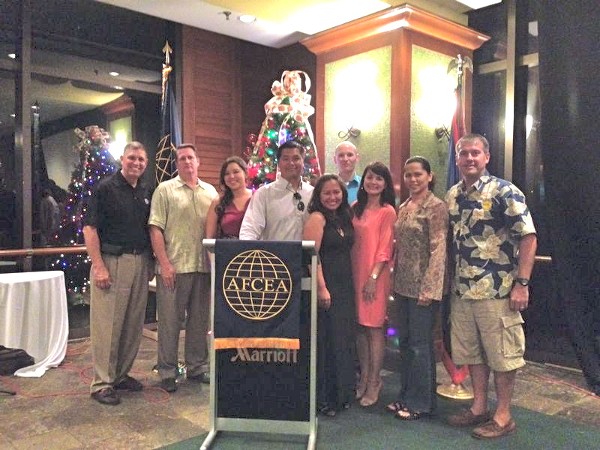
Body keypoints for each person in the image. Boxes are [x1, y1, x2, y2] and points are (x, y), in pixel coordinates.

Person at [445, 134, 537, 439]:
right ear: (457, 159)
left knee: (501, 355)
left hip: (498, 289)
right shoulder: (453, 196)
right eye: (463, 154)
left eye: (475, 153)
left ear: (487, 157)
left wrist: (522, 283)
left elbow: (528, 237)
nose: (469, 158)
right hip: (463, 290)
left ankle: (503, 415)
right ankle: (479, 407)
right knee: (473, 353)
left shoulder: (505, 191)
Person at [83, 141, 153, 405]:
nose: (136, 163)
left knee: (133, 324)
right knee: (108, 326)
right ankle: (102, 383)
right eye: (132, 158)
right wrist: (99, 266)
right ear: (122, 159)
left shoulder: (146, 190)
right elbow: (90, 229)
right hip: (112, 262)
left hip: (140, 262)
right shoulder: (105, 188)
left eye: (141, 160)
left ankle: (121, 375)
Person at [149, 143, 218, 393]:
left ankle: (197, 367)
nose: (187, 162)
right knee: (169, 323)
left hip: (202, 267)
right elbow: (155, 228)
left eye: (191, 157)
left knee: (199, 323)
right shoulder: (164, 190)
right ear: (177, 164)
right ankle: (167, 371)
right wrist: (165, 264)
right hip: (174, 268)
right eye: (182, 159)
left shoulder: (211, 192)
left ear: (198, 161)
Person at [386, 156, 448, 420]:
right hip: (402, 286)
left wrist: (430, 288)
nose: (413, 179)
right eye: (408, 174)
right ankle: (405, 396)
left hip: (424, 288)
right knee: (406, 343)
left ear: (429, 176)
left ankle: (421, 403)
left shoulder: (436, 207)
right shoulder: (406, 205)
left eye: (418, 175)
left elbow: (439, 248)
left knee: (421, 346)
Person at [303, 174, 356, 417]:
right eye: (327, 193)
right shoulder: (317, 217)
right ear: (319, 196)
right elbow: (311, 256)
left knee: (342, 341)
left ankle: (342, 394)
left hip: (345, 286)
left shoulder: (343, 217)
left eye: (337, 192)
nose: (333, 197)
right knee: (327, 342)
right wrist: (322, 287)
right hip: (326, 286)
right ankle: (325, 398)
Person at [351, 161, 396, 407]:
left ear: (385, 184)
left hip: (374, 277)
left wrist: (374, 277)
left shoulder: (387, 211)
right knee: (359, 328)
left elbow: (385, 248)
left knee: (374, 328)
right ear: (363, 180)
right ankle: (364, 377)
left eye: (379, 179)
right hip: (354, 274)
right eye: (370, 177)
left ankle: (375, 380)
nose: (373, 182)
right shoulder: (355, 208)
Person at [239, 140, 313, 241]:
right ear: (278, 163)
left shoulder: (313, 193)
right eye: (286, 159)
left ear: (303, 161)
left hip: (307, 256)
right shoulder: (264, 194)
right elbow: (249, 229)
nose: (291, 163)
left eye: (296, 158)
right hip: (274, 255)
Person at [205, 156, 252, 240]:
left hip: (254, 251)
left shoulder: (257, 198)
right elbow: (210, 238)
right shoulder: (218, 202)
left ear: (245, 173)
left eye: (236, 171)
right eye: (227, 174)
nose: (232, 176)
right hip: (227, 251)